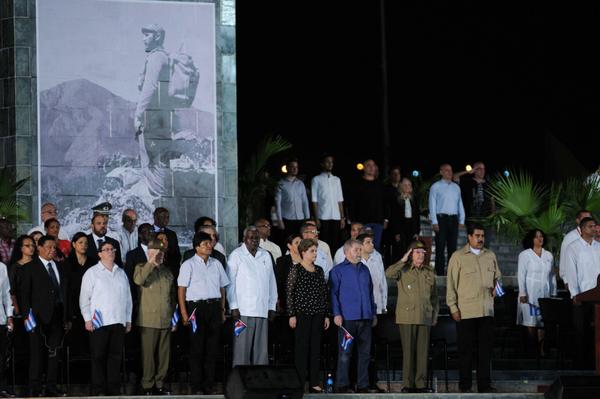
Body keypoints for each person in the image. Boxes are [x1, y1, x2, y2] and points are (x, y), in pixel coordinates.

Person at [446, 224, 501, 393]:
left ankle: (484, 385)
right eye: (477, 235)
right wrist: (453, 308)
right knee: (466, 352)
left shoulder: (490, 255)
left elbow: (498, 278)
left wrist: (497, 288)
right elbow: (451, 285)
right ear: (469, 237)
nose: (481, 238)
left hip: (486, 311)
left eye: (482, 235)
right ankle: (465, 386)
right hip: (466, 312)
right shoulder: (458, 257)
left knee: (485, 352)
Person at [178, 232, 229, 394]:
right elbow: (181, 290)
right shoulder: (188, 264)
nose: (208, 246)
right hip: (195, 309)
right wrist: (185, 314)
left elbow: (222, 288)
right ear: (196, 247)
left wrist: (222, 310)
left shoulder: (216, 263)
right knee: (197, 348)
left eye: (209, 243)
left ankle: (209, 384)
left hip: (214, 308)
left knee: (212, 349)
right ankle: (196, 385)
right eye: (204, 244)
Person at [20, 235, 71, 397]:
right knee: (36, 354)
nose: (52, 250)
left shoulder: (60, 267)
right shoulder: (29, 268)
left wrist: (67, 317)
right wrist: (28, 319)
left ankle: (51, 386)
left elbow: (66, 294)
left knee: (54, 354)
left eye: (54, 247)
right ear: (39, 248)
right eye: (48, 247)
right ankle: (34, 388)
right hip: (37, 318)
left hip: (57, 317)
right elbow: (24, 296)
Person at [80, 241, 133, 396]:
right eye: (107, 249)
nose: (110, 252)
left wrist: (128, 319)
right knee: (98, 357)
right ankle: (98, 390)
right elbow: (84, 298)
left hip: (118, 321)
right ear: (99, 253)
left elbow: (128, 299)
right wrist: (87, 319)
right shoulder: (92, 272)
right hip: (99, 322)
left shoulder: (121, 272)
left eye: (112, 249)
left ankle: (113, 390)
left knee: (115, 357)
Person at [385, 240, 438, 393]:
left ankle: (420, 384)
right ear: (410, 254)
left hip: (424, 316)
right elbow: (388, 273)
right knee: (408, 351)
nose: (420, 255)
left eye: (423, 253)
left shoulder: (429, 271)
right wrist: (403, 260)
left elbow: (434, 297)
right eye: (417, 252)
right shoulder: (403, 269)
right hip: (407, 317)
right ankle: (407, 384)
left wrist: (434, 315)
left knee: (422, 352)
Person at [330, 239, 378, 393]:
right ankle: (342, 385)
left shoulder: (365, 269)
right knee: (345, 353)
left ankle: (362, 385)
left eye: (360, 249)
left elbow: (370, 293)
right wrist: (336, 314)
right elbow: (333, 294)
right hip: (347, 319)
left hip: (365, 318)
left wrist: (373, 312)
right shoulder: (337, 271)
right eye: (356, 249)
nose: (359, 252)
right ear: (346, 252)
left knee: (365, 354)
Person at [227, 226, 277, 366]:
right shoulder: (236, 255)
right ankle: (239, 383)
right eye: (251, 238)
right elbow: (230, 283)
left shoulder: (265, 255)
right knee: (241, 350)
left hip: (262, 309)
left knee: (261, 352)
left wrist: (271, 305)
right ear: (244, 239)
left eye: (257, 238)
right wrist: (233, 306)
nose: (254, 240)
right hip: (243, 311)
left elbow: (271, 282)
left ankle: (259, 383)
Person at [287, 239, 330, 392]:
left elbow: (324, 293)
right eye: (312, 251)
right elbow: (290, 293)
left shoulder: (319, 270)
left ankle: (314, 382)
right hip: (302, 314)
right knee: (301, 349)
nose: (315, 254)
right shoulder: (296, 269)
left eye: (316, 251)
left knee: (315, 349)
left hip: (318, 314)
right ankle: (299, 382)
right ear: (303, 252)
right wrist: (292, 314)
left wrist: (326, 315)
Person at [134, 239, 176, 395]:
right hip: (148, 320)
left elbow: (172, 298)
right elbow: (139, 280)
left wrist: (173, 318)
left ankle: (160, 383)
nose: (160, 255)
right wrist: (151, 262)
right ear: (149, 252)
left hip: (165, 318)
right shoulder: (141, 268)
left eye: (162, 252)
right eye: (157, 252)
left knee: (164, 355)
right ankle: (147, 384)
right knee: (148, 356)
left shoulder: (167, 271)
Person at [563, 217, 600, 368]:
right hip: (583, 298)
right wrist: (574, 294)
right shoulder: (573, 247)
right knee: (581, 334)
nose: (594, 229)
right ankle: (581, 367)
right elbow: (571, 272)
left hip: (598, 297)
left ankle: (595, 364)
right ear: (583, 229)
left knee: (596, 334)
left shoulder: (598, 247)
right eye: (591, 226)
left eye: (595, 226)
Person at [516, 229, 556, 358]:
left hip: (544, 293)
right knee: (531, 321)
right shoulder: (525, 255)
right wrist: (522, 292)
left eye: (541, 237)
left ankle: (542, 350)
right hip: (529, 293)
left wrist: (553, 292)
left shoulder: (548, 255)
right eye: (536, 237)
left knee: (542, 322)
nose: (540, 239)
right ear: (531, 239)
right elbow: (521, 274)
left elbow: (552, 275)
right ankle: (532, 349)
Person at [429, 163, 465, 275]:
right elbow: (432, 204)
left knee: (452, 247)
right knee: (440, 246)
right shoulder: (435, 186)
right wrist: (434, 221)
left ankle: (451, 272)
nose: (450, 172)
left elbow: (460, 204)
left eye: (451, 170)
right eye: (447, 170)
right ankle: (439, 272)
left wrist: (462, 220)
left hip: (453, 219)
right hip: (441, 219)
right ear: (441, 172)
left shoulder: (456, 187)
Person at [64, 232, 95, 359]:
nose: (83, 245)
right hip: (73, 306)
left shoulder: (93, 262)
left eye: (86, 243)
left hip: (90, 305)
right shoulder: (67, 263)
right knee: (75, 342)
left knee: (90, 343)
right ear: (73, 244)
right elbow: (65, 289)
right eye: (80, 242)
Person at [349, 159, 388, 250]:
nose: (371, 167)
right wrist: (353, 220)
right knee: (363, 246)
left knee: (376, 247)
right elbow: (353, 203)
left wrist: (386, 219)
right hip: (363, 222)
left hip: (378, 222)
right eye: (368, 165)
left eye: (373, 165)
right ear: (364, 168)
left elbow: (385, 203)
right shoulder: (358, 184)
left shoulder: (380, 185)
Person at [311, 154, 345, 250]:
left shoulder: (337, 179)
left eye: (331, 162)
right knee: (323, 243)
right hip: (323, 216)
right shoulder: (316, 179)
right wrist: (316, 218)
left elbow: (340, 199)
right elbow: (314, 200)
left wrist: (342, 218)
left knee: (335, 243)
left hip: (336, 216)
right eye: (327, 161)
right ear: (322, 164)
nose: (330, 164)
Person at [387, 175, 420, 263]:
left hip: (411, 227)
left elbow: (417, 217)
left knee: (411, 250)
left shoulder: (414, 199)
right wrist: (396, 232)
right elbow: (394, 217)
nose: (408, 187)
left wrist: (417, 231)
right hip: (401, 228)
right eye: (405, 185)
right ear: (401, 186)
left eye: (409, 185)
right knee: (400, 250)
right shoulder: (396, 199)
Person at [275, 158, 310, 240]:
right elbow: (278, 204)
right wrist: (279, 220)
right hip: (287, 219)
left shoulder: (300, 184)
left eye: (296, 167)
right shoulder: (281, 183)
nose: (295, 169)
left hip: (300, 218)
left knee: (301, 241)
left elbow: (305, 202)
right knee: (289, 241)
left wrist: (307, 219)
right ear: (287, 168)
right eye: (292, 167)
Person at [558, 209, 592, 288]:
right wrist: (566, 280)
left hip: (593, 281)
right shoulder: (570, 238)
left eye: (590, 218)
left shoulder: (594, 236)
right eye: (585, 218)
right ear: (577, 221)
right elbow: (563, 260)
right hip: (576, 281)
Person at [7, 235, 35, 316]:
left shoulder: (38, 263)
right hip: (21, 306)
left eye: (33, 245)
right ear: (20, 248)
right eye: (27, 245)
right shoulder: (15, 267)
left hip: (39, 305)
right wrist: (16, 308)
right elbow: (11, 290)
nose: (31, 248)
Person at [153, 208, 181, 278]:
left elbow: (177, 254)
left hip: (170, 273)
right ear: (156, 217)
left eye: (168, 217)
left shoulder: (172, 234)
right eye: (163, 217)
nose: (166, 219)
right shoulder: (147, 232)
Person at [0, 257, 13, 398]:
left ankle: (2, 388)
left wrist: (9, 315)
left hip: (0, 319)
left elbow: (6, 294)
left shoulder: (2, 267)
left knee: (2, 357)